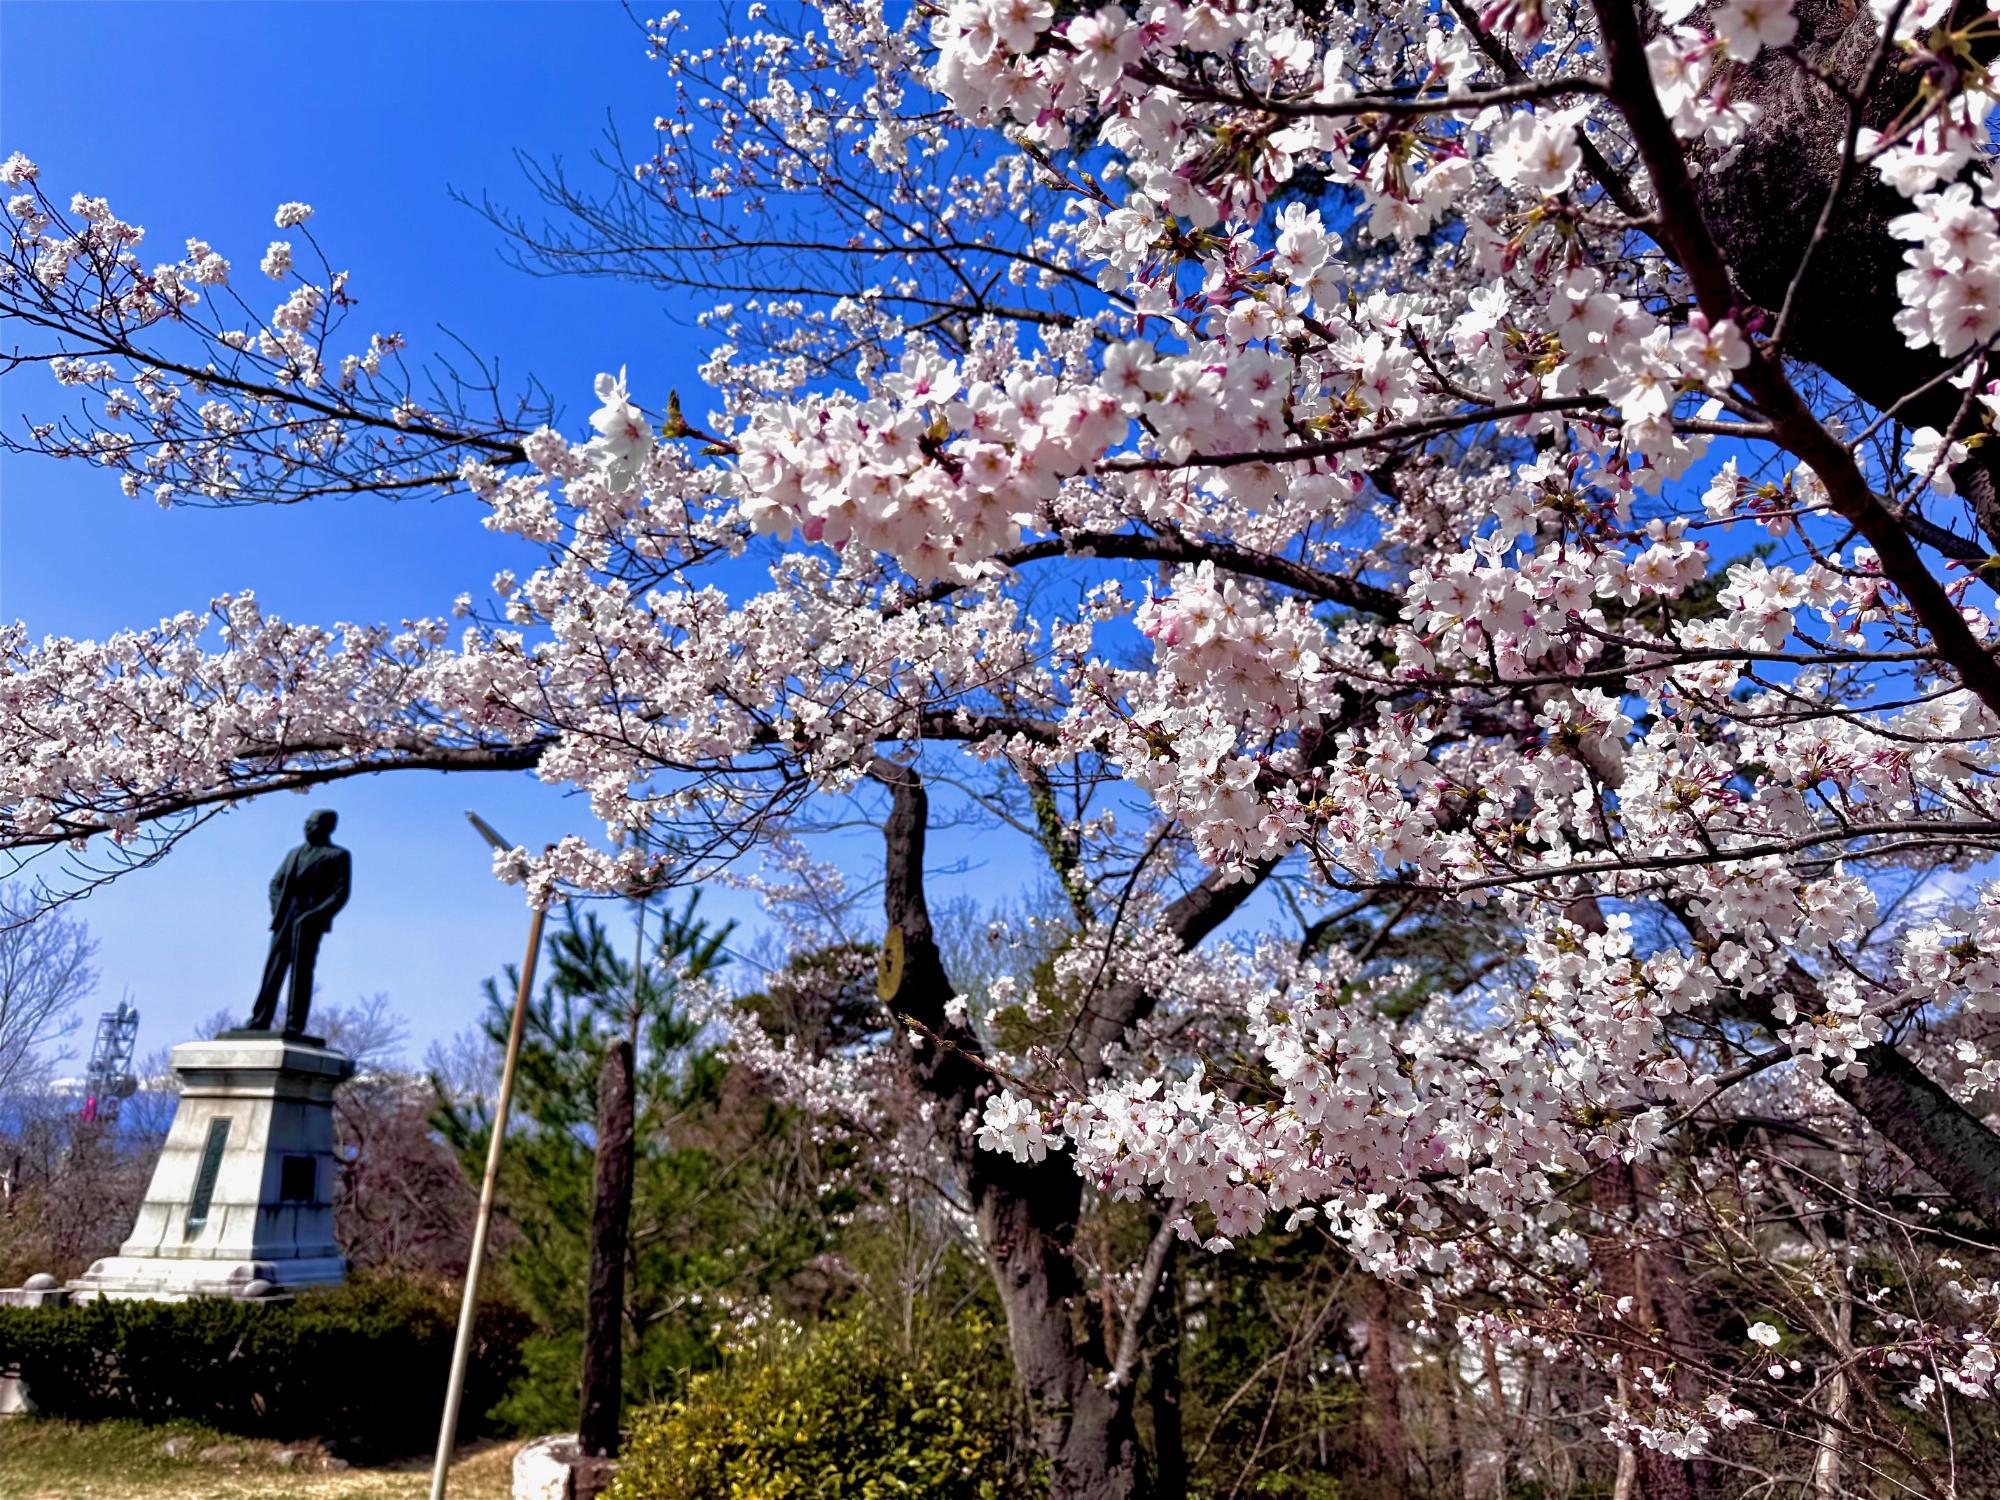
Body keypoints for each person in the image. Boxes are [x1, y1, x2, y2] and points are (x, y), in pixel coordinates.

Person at [247, 810, 351, 1036]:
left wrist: (316, 915)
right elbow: (275, 883)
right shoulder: (293, 853)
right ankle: (260, 1018)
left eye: (313, 824)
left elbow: (340, 893)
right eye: (307, 823)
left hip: (310, 921)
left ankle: (294, 1023)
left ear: (328, 827)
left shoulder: (337, 855)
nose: (308, 828)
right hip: (285, 918)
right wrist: (278, 909)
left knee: (301, 972)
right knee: (273, 969)